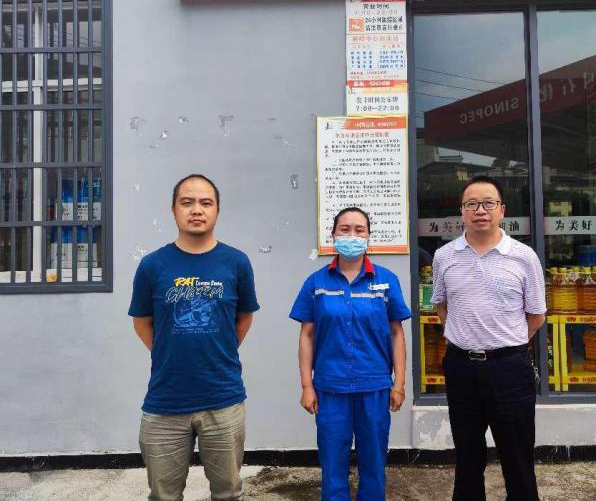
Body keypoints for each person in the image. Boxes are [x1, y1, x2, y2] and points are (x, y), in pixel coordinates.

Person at [128, 174, 259, 501]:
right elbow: (141, 321)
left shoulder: (236, 262)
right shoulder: (152, 265)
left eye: (205, 203)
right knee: (163, 495)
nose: (196, 210)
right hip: (165, 399)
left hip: (223, 397)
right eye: (187, 202)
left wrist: (219, 349)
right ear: (173, 210)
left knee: (228, 493)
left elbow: (244, 317)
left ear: (217, 211)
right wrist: (167, 351)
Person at [431, 175, 546, 501]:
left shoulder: (523, 256)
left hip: (509, 369)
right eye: (472, 204)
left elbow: (537, 315)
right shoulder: (444, 256)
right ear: (462, 211)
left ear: (501, 210)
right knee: (467, 455)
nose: (480, 210)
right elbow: (441, 304)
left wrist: (505, 344)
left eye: (488, 203)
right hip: (461, 367)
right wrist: (466, 336)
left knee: (518, 457)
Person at [289, 207, 411, 501]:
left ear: (369, 236)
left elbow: (397, 333)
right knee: (332, 461)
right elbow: (306, 336)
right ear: (333, 235)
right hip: (330, 387)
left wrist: (398, 384)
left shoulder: (386, 280)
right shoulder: (317, 282)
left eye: (359, 230)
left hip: (375, 386)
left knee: (374, 461)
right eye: (345, 229)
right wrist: (307, 386)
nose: (352, 236)